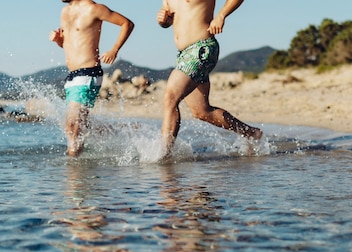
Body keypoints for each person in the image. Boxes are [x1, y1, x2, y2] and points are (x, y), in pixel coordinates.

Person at [156, 0, 262, 156]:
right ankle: (251, 133)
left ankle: (164, 156)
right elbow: (170, 20)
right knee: (201, 111)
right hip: (184, 55)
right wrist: (164, 21)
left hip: (201, 49)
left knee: (170, 98)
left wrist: (221, 15)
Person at [50, 0, 134, 156]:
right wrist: (58, 41)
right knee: (76, 127)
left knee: (72, 126)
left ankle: (73, 173)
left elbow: (127, 24)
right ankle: (123, 133)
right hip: (71, 77)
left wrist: (114, 50)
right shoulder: (65, 12)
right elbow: (70, 44)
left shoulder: (94, 9)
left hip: (88, 73)